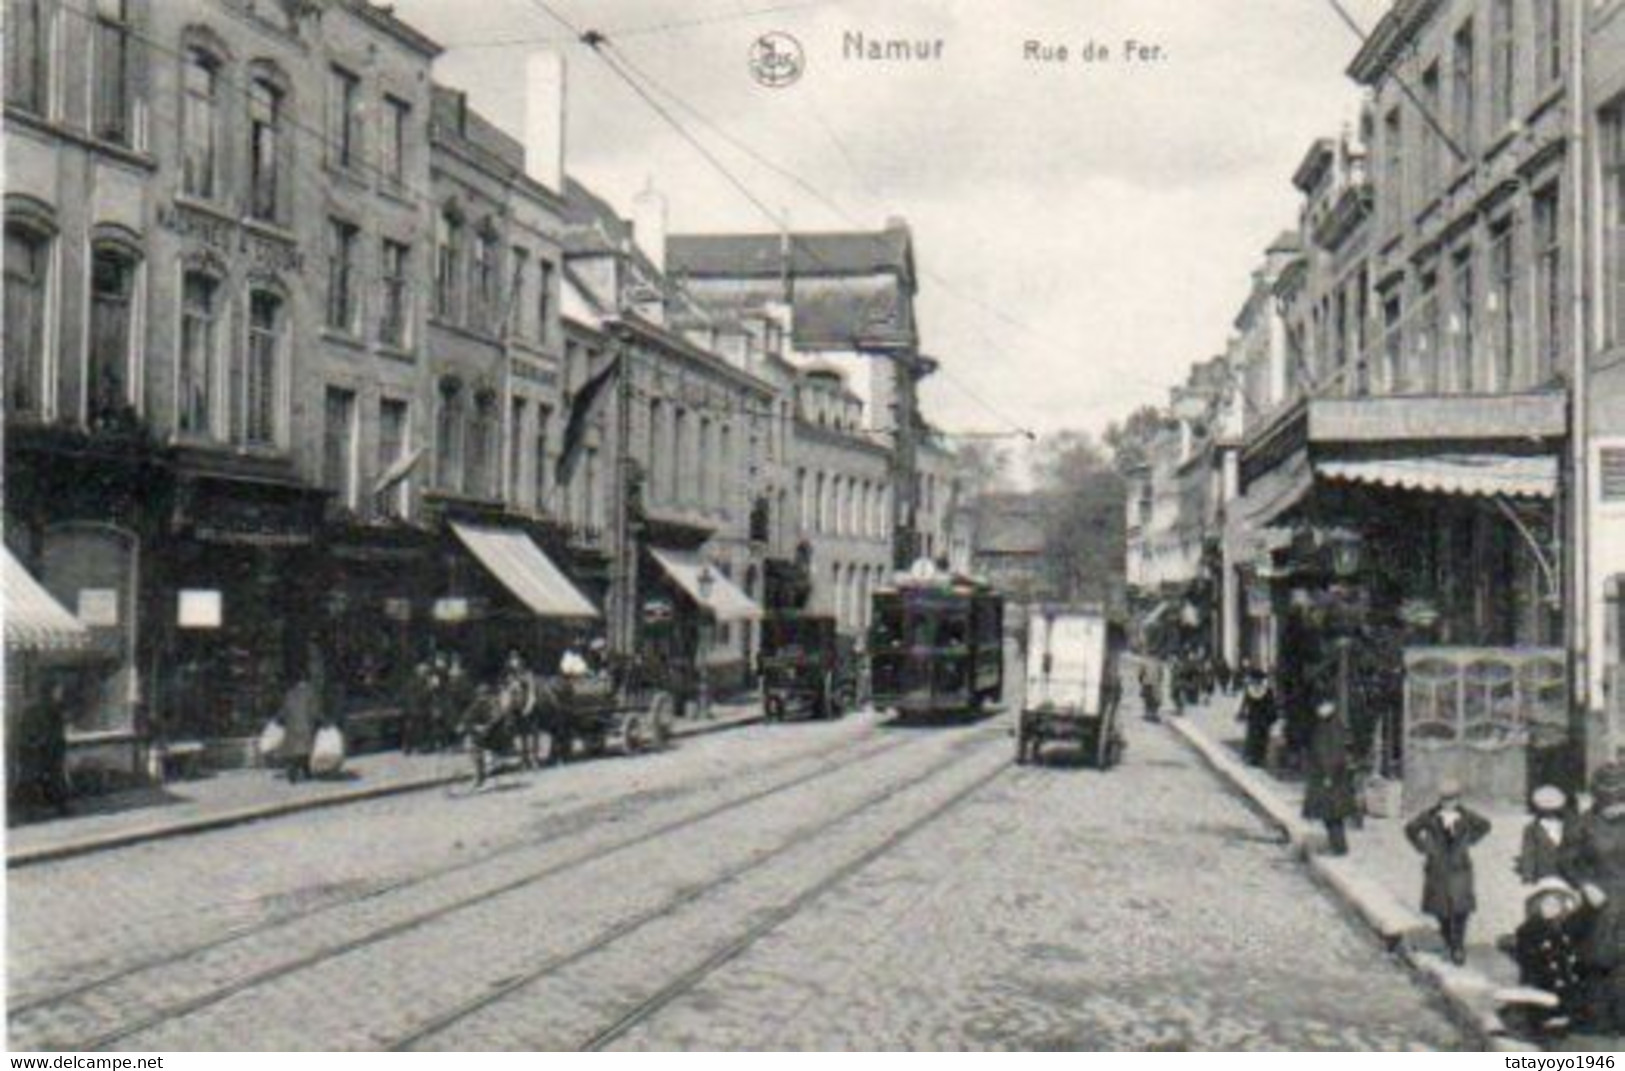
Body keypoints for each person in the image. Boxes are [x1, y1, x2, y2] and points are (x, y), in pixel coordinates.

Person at [1563, 761, 1625, 1032]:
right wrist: (1585, 885)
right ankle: (1596, 1020)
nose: (1615, 807)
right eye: (1609, 799)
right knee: (1599, 959)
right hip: (1600, 899)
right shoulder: (1583, 823)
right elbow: (1567, 860)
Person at [1405, 778, 1492, 965]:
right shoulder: (1429, 816)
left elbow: (1485, 825)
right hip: (1437, 867)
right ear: (1440, 799)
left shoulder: (1467, 816)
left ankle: (1458, 946)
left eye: (1452, 799)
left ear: (1458, 799)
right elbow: (1410, 829)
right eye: (1445, 799)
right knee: (1440, 909)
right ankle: (1447, 937)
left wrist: (1470, 841)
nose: (1449, 803)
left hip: (1460, 867)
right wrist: (1423, 847)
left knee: (1461, 908)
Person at [1513, 877, 1592, 1036]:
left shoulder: (1561, 927)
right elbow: (1527, 958)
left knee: (1570, 997)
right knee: (1545, 1005)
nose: (1551, 908)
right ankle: (1544, 1022)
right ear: (1538, 904)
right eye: (1546, 903)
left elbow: (1569, 951)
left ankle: (1563, 1018)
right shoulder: (1529, 929)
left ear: (1562, 907)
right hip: (1540, 979)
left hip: (1561, 980)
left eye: (1556, 904)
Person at [1303, 698, 1357, 856]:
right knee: (1330, 815)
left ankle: (1339, 847)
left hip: (1330, 777)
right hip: (1328, 776)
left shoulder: (1331, 727)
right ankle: (1337, 846)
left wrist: (1328, 775)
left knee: (1332, 815)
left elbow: (1333, 753)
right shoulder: (1325, 725)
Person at [1518, 785, 1575, 886]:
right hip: (1543, 876)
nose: (1549, 811)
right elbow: (1528, 854)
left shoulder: (1568, 825)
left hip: (1567, 876)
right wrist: (1527, 877)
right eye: (1545, 809)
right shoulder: (1532, 828)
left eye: (1553, 808)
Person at [278, 674, 319, 783]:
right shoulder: (308, 691)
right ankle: (304, 771)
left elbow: (285, 710)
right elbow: (313, 709)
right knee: (304, 749)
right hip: (304, 724)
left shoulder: (290, 693)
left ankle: (298, 771)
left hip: (293, 725)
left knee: (296, 750)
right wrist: (315, 720)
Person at [1236, 669, 1277, 768]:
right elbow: (1271, 704)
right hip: (1262, 718)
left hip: (1255, 718)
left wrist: (1241, 713)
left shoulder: (1251, 689)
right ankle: (1258, 757)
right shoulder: (1267, 690)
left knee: (1254, 737)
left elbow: (1245, 703)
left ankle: (1253, 756)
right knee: (1260, 737)